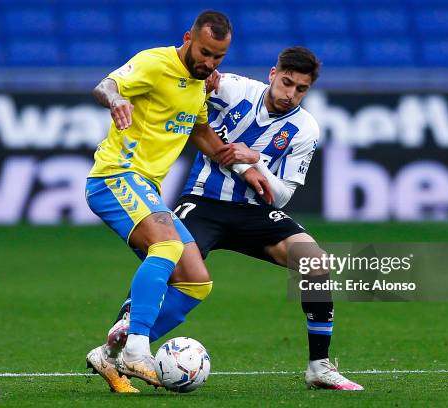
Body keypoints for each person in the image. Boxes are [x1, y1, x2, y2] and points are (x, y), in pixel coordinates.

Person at [107, 47, 364, 391]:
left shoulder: (305, 128)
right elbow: (188, 95)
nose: (290, 94)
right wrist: (203, 81)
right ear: (273, 74)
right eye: (286, 82)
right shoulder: (232, 88)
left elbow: (284, 195)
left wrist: (255, 161)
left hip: (254, 212)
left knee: (315, 261)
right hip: (203, 202)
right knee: (169, 258)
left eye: (300, 89)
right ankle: (119, 344)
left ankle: (319, 366)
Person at [84, 10, 271, 393]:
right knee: (166, 244)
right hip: (114, 176)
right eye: (204, 53)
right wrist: (117, 99)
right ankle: (137, 349)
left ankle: (109, 353)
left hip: (144, 186)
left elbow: (200, 132)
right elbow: (104, 86)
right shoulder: (155, 63)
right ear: (188, 38)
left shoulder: (199, 84)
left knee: (195, 281)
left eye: (218, 57)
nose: (209, 63)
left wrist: (242, 168)